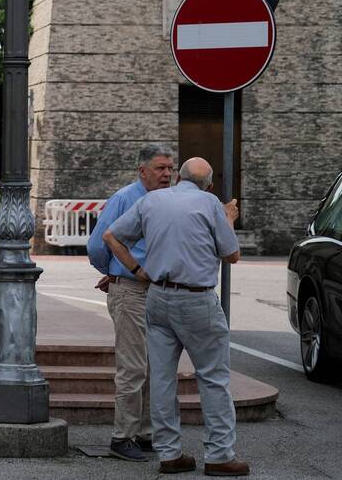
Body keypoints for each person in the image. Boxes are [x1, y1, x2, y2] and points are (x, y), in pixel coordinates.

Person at [102, 157, 250, 476]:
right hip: (196, 299)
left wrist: (138, 270)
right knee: (213, 377)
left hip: (157, 296)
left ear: (179, 176)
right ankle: (220, 455)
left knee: (162, 378)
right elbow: (232, 255)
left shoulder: (151, 200)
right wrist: (228, 218)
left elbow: (111, 237)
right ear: (209, 185)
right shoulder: (210, 204)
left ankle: (169, 454)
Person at [86, 144, 175, 461]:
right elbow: (98, 244)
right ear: (143, 171)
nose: (167, 174)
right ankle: (121, 437)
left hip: (156, 291)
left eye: (170, 168)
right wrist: (114, 271)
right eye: (160, 168)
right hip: (132, 291)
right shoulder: (125, 198)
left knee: (154, 366)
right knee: (133, 367)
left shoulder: (166, 200)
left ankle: (144, 434)